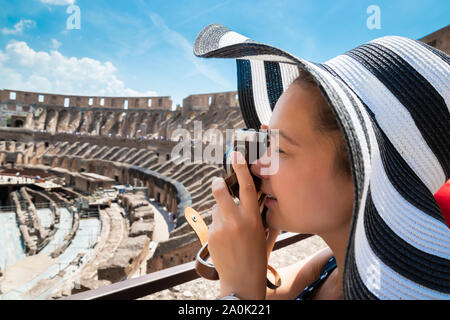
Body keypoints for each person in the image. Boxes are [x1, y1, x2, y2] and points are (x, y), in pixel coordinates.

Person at [193, 24, 450, 300]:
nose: (258, 165)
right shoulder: (333, 264)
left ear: (362, 172)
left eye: (279, 149)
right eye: (267, 142)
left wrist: (237, 295)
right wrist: (254, 253)